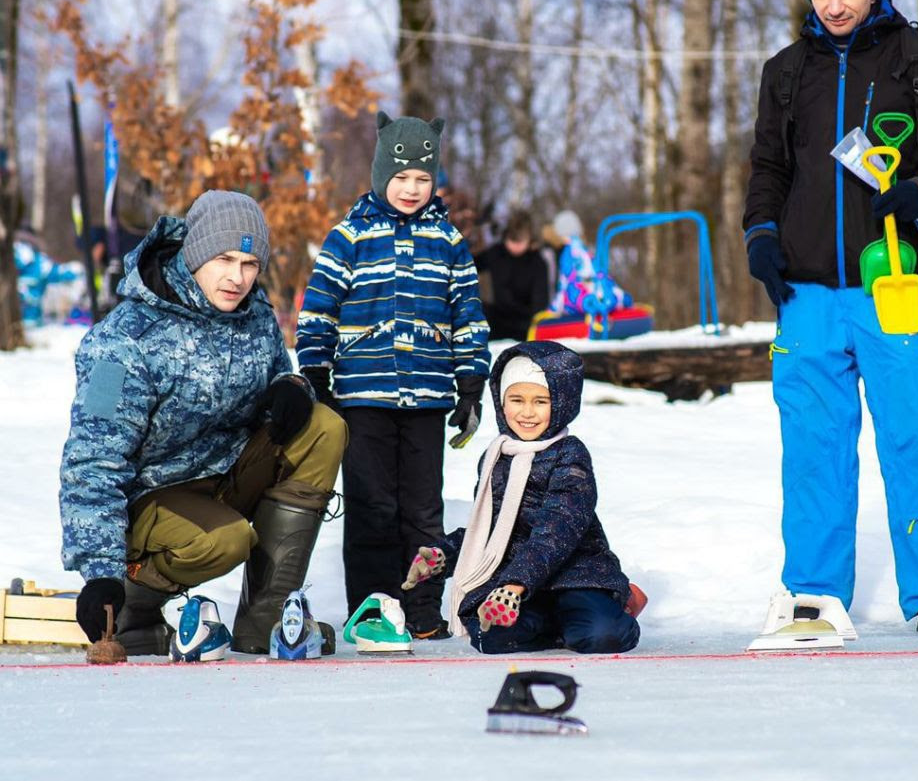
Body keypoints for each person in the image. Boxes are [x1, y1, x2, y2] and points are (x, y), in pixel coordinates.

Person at [743, 0, 918, 634]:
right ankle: (816, 594)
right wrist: (760, 235)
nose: (836, 6)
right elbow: (768, 166)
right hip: (805, 292)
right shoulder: (786, 72)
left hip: (894, 282)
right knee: (814, 450)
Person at [61, 190, 348, 656]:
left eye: (251, 263)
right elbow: (92, 461)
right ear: (196, 253)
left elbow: (276, 374)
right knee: (225, 540)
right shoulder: (123, 341)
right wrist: (100, 573)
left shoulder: (255, 314)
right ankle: (133, 611)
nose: (238, 277)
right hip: (153, 499)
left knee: (323, 426)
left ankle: (268, 621)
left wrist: (292, 389)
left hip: (228, 473)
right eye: (225, 259)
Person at [296, 111, 491, 640]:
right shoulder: (348, 237)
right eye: (401, 178)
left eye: (423, 179)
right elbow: (319, 310)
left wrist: (471, 382)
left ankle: (423, 606)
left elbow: (467, 314)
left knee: (423, 511)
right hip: (362, 396)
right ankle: (374, 609)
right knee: (371, 507)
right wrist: (315, 372)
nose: (411, 188)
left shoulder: (448, 242)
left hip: (428, 398)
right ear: (382, 174)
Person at [400, 341, 642, 654]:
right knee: (488, 636)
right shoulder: (496, 458)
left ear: (562, 402)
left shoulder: (570, 454)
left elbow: (557, 530)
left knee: (601, 636)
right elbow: (490, 532)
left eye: (540, 401)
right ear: (502, 402)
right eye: (517, 399)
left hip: (574, 573)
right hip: (521, 583)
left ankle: (615, 605)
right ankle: (560, 624)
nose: (527, 413)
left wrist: (516, 584)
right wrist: (443, 554)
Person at [474, 210, 554, 341]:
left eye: (520, 241)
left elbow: (540, 301)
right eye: (512, 240)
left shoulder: (537, 262)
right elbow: (469, 264)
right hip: (496, 321)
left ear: (529, 239)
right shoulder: (496, 253)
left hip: (525, 325)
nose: (515, 246)